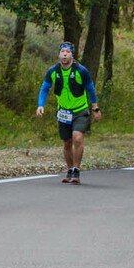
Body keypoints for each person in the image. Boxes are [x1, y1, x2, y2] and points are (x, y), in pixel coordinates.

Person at [37, 42, 101, 184]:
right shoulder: (53, 71)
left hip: (80, 110)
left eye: (67, 52)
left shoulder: (81, 71)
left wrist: (95, 108)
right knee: (67, 142)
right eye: (62, 52)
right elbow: (45, 88)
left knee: (77, 138)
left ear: (72, 55)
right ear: (59, 54)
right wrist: (41, 105)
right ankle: (70, 169)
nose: (65, 54)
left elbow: (90, 88)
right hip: (63, 112)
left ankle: (76, 169)